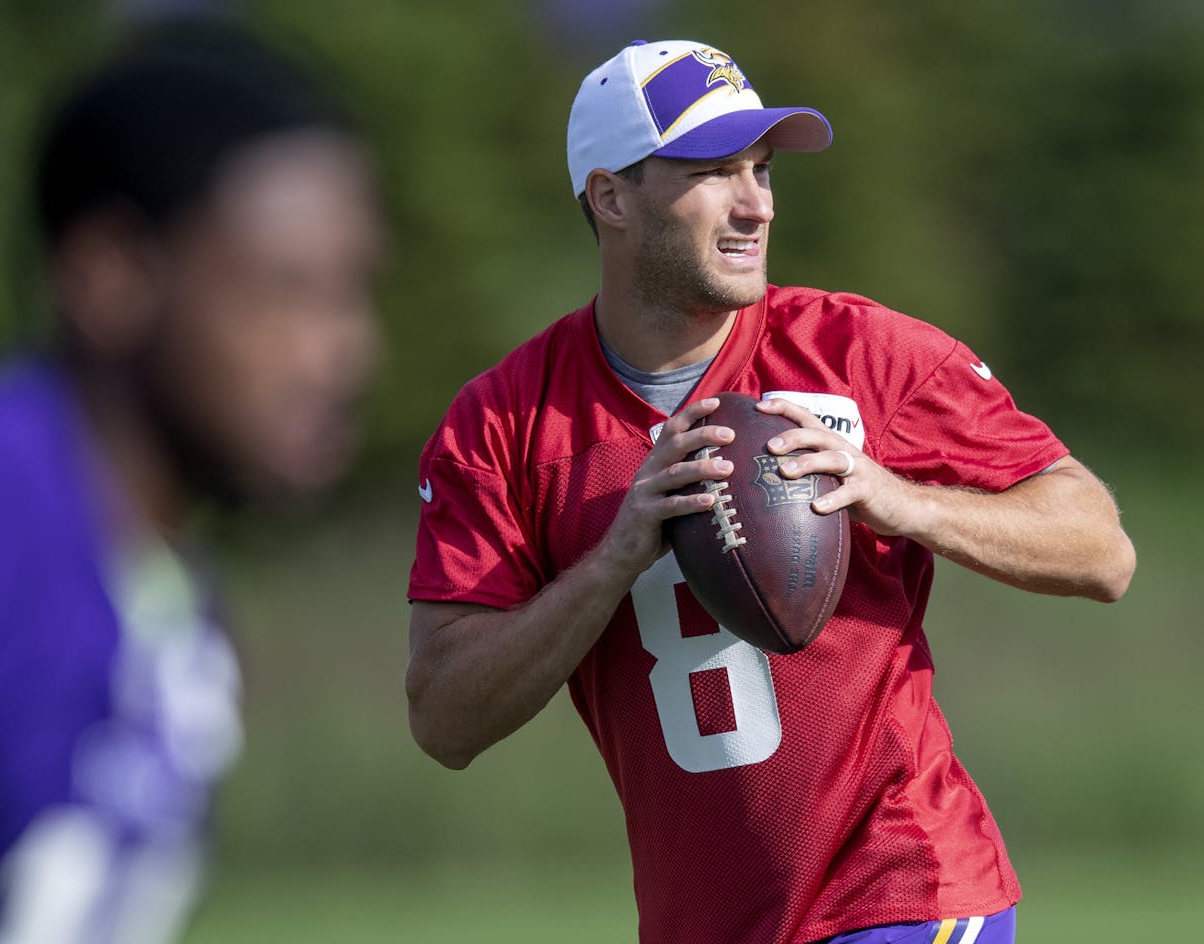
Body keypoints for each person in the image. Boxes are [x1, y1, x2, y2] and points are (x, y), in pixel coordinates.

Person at [405, 38, 1134, 944]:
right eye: (716, 172)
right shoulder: (505, 423)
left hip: (903, 891)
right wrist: (617, 556)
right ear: (610, 197)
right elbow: (443, 718)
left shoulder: (862, 355)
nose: (759, 203)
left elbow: (1102, 550)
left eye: (762, 167)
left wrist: (897, 498)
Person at [0, 24, 381, 944]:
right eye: (287, 292)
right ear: (109, 276)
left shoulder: (170, 599)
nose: (343, 351)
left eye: (352, 292)